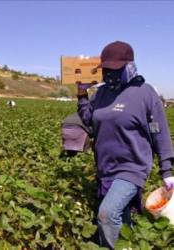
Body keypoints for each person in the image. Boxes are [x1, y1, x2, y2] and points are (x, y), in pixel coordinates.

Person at [77, 41, 174, 249]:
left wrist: (167, 169)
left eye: (115, 70)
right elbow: (88, 119)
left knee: (107, 213)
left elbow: (160, 132)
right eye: (106, 70)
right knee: (122, 220)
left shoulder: (145, 93)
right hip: (105, 167)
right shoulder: (101, 93)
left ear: (129, 67)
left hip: (132, 167)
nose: (109, 75)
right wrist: (81, 96)